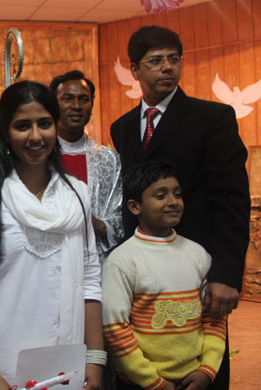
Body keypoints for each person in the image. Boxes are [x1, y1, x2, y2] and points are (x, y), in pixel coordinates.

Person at [110, 26, 250, 389]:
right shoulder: (122, 128)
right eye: (156, 61)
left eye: (174, 59)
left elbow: (232, 200)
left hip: (197, 274)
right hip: (142, 276)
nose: (167, 67)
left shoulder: (213, 118)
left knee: (202, 369)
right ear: (135, 69)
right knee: (141, 369)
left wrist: (225, 274)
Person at [0, 80, 104, 390]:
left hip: (65, 359)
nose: (35, 136)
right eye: (23, 126)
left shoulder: (76, 195)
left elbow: (90, 279)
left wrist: (96, 358)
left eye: (44, 124)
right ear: (5, 133)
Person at [102, 160, 227, 390]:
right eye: (161, 196)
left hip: (194, 380)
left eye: (177, 194)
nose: (173, 202)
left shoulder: (198, 254)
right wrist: (154, 382)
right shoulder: (122, 261)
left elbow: (214, 318)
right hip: (141, 384)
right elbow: (116, 329)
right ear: (135, 207)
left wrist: (207, 370)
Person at [50, 70, 123, 262]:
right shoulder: (40, 157)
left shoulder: (108, 159)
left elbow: (121, 212)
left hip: (96, 259)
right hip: (50, 257)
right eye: (67, 99)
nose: (76, 106)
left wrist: (100, 225)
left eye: (83, 99)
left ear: (92, 104)